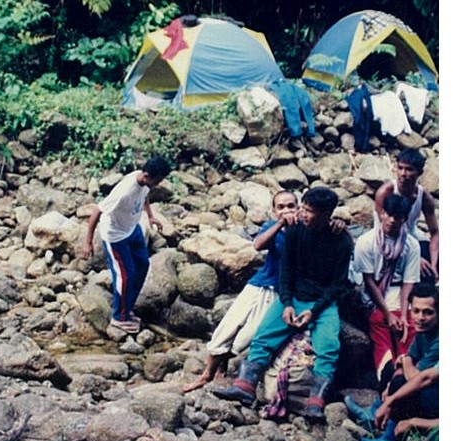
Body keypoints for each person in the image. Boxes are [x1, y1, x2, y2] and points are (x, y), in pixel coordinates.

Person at [214, 186, 354, 420]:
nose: (303, 214)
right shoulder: (295, 231)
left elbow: (338, 285)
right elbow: (286, 271)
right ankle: (245, 386)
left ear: (326, 214)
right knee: (264, 336)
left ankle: (315, 403)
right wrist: (287, 303)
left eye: (309, 211)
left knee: (328, 346)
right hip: (294, 296)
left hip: (323, 303)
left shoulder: (340, 241)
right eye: (303, 208)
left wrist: (314, 311)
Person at [182, 190, 299, 392]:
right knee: (229, 325)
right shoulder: (272, 227)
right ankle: (206, 374)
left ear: (298, 208)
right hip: (259, 284)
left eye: (291, 206)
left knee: (248, 336)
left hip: (280, 293)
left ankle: (224, 363)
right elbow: (258, 245)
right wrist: (280, 223)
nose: (286, 210)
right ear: (274, 211)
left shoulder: (305, 230)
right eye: (281, 207)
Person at [82, 155, 171, 333]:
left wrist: (150, 215)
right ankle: (118, 317)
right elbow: (97, 211)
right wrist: (88, 242)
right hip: (115, 235)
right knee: (126, 275)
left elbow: (144, 195)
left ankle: (127, 307)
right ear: (146, 176)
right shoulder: (124, 192)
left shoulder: (145, 183)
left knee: (143, 265)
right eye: (157, 181)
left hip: (132, 228)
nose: (158, 184)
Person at [358, 284, 439, 441]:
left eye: (428, 312)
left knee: (401, 381)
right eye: (416, 311)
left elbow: (419, 377)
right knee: (392, 371)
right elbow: (408, 361)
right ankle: (373, 414)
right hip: (429, 387)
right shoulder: (424, 331)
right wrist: (403, 363)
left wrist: (391, 399)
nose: (420, 317)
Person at [352, 193, 420, 381]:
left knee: (408, 324)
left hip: (399, 292)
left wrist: (404, 315)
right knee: (380, 320)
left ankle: (405, 366)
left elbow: (408, 282)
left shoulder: (411, 244)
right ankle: (386, 368)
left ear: (404, 219)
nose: (392, 220)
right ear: (381, 213)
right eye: (388, 215)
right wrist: (388, 314)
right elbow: (368, 281)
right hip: (375, 293)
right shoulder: (366, 241)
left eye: (397, 217)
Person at [373, 148, 438, 282]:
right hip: (386, 237)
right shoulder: (385, 192)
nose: (403, 174)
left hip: (410, 238)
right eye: (400, 168)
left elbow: (435, 233)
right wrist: (415, 257)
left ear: (419, 172)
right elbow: (388, 228)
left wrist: (434, 264)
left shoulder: (424, 197)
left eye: (409, 169)